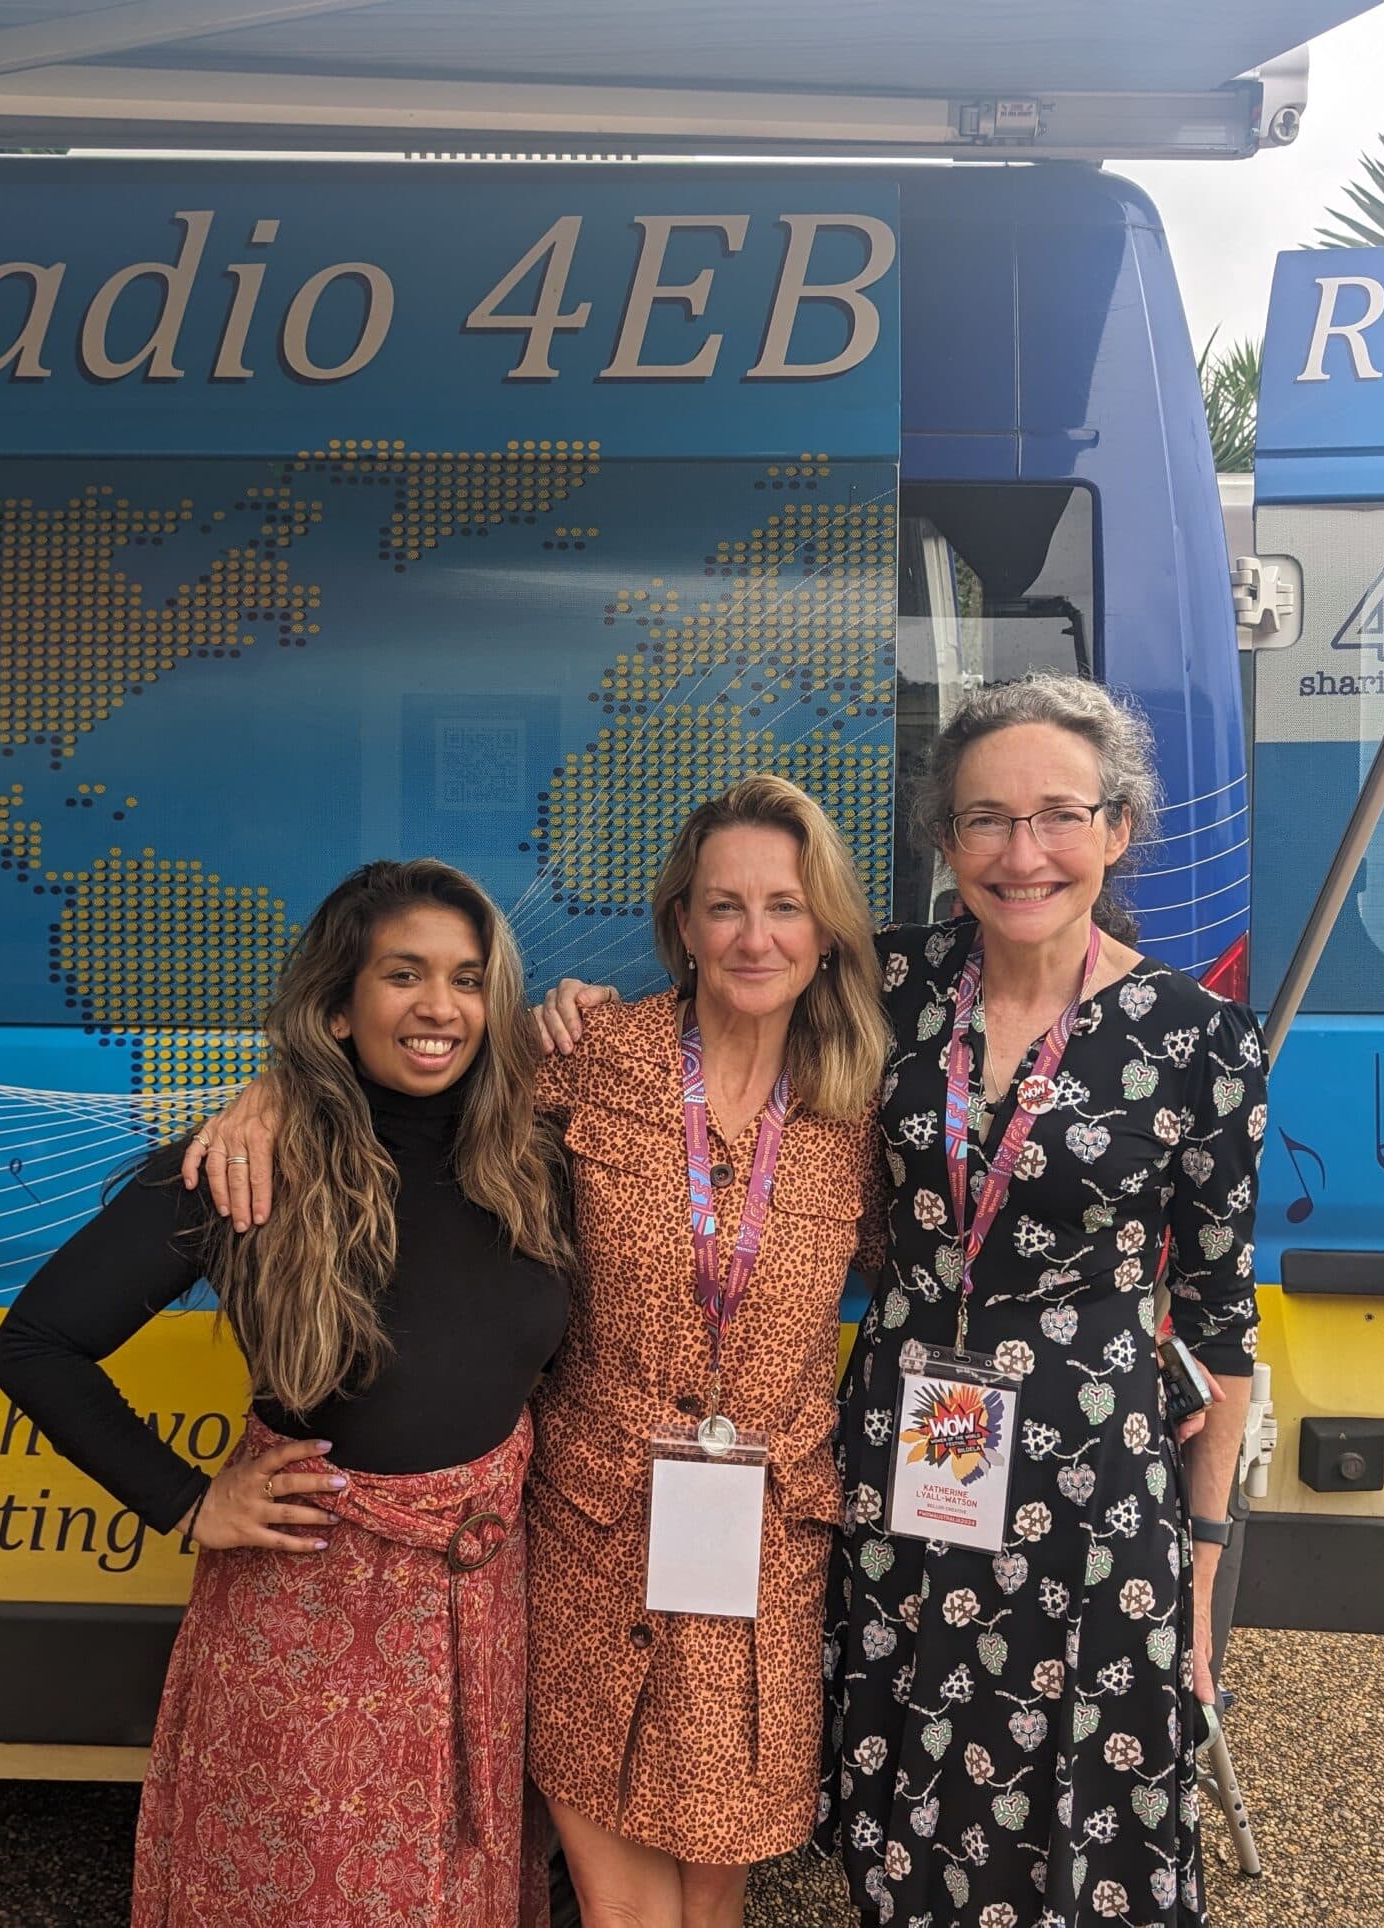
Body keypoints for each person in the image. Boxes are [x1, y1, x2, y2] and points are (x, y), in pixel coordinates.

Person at [188, 776, 890, 1928]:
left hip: (760, 1536)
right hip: (591, 1521)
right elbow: (410, 1065)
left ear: (826, 930)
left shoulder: (863, 1105)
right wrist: (270, 1096)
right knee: (618, 1898)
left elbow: (966, 1251)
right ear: (682, 923)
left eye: (785, 905)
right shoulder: (590, 1052)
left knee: (712, 1883)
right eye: (724, 905)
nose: (753, 936)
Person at [0, 858, 571, 1928]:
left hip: (479, 1617)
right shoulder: (251, 1164)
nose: (439, 1007)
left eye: (466, 978)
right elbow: (36, 1345)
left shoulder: (531, 1160)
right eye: (403, 974)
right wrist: (187, 1500)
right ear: (339, 1006)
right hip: (303, 1622)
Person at [820, 673, 1265, 1928]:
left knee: (1084, 1800)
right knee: (907, 1776)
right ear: (944, 838)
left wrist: (1201, 1569)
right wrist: (579, 1016)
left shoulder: (1198, 1039)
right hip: (909, 1442)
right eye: (986, 820)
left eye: (1059, 815)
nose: (1024, 855)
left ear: (1116, 827)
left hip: (1091, 1482)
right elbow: (713, 1036)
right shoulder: (884, 985)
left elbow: (1220, 1313)